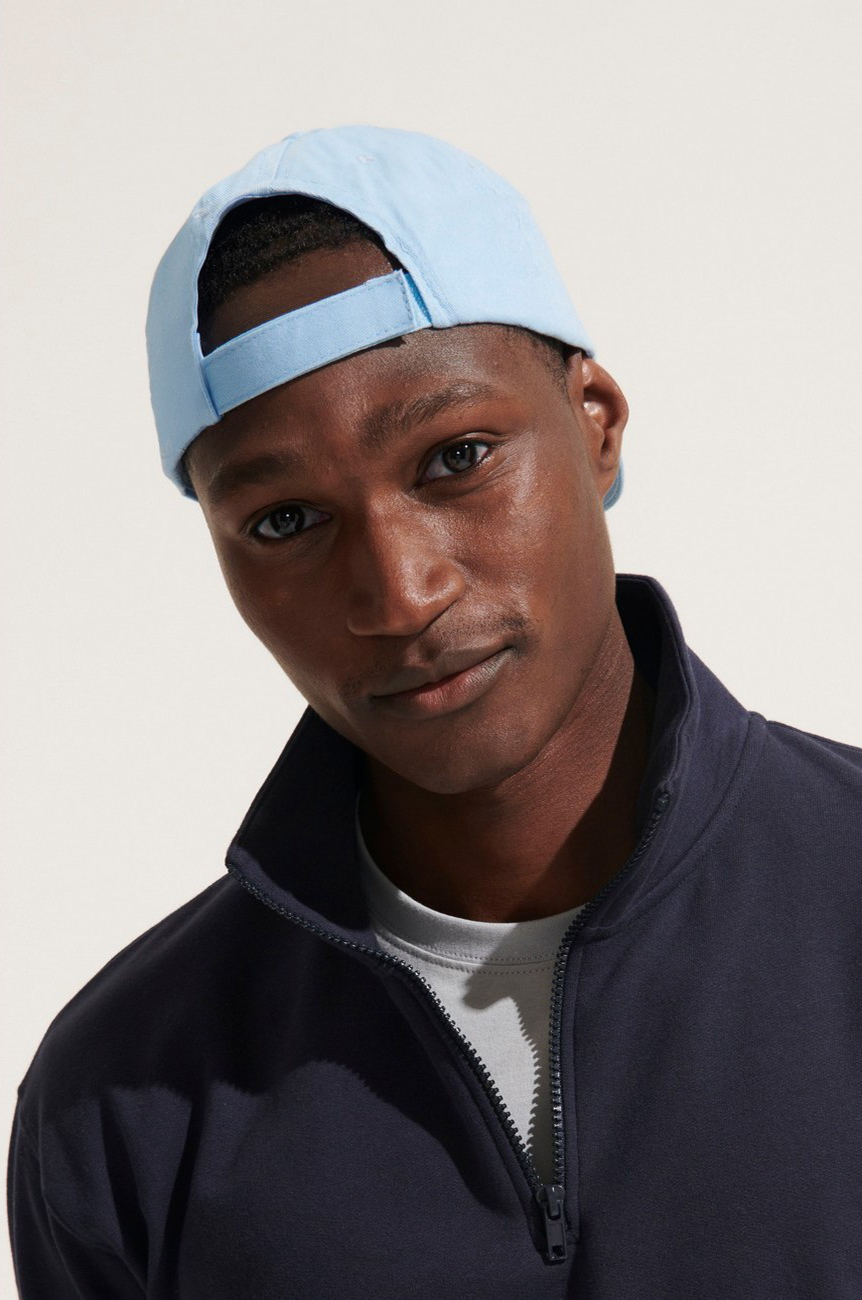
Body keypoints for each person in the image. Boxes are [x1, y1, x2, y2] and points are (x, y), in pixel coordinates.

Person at [7, 125, 862, 1298]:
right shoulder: (124, 1100)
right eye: (284, 522)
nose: (398, 593)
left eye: (455, 457)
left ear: (596, 423)